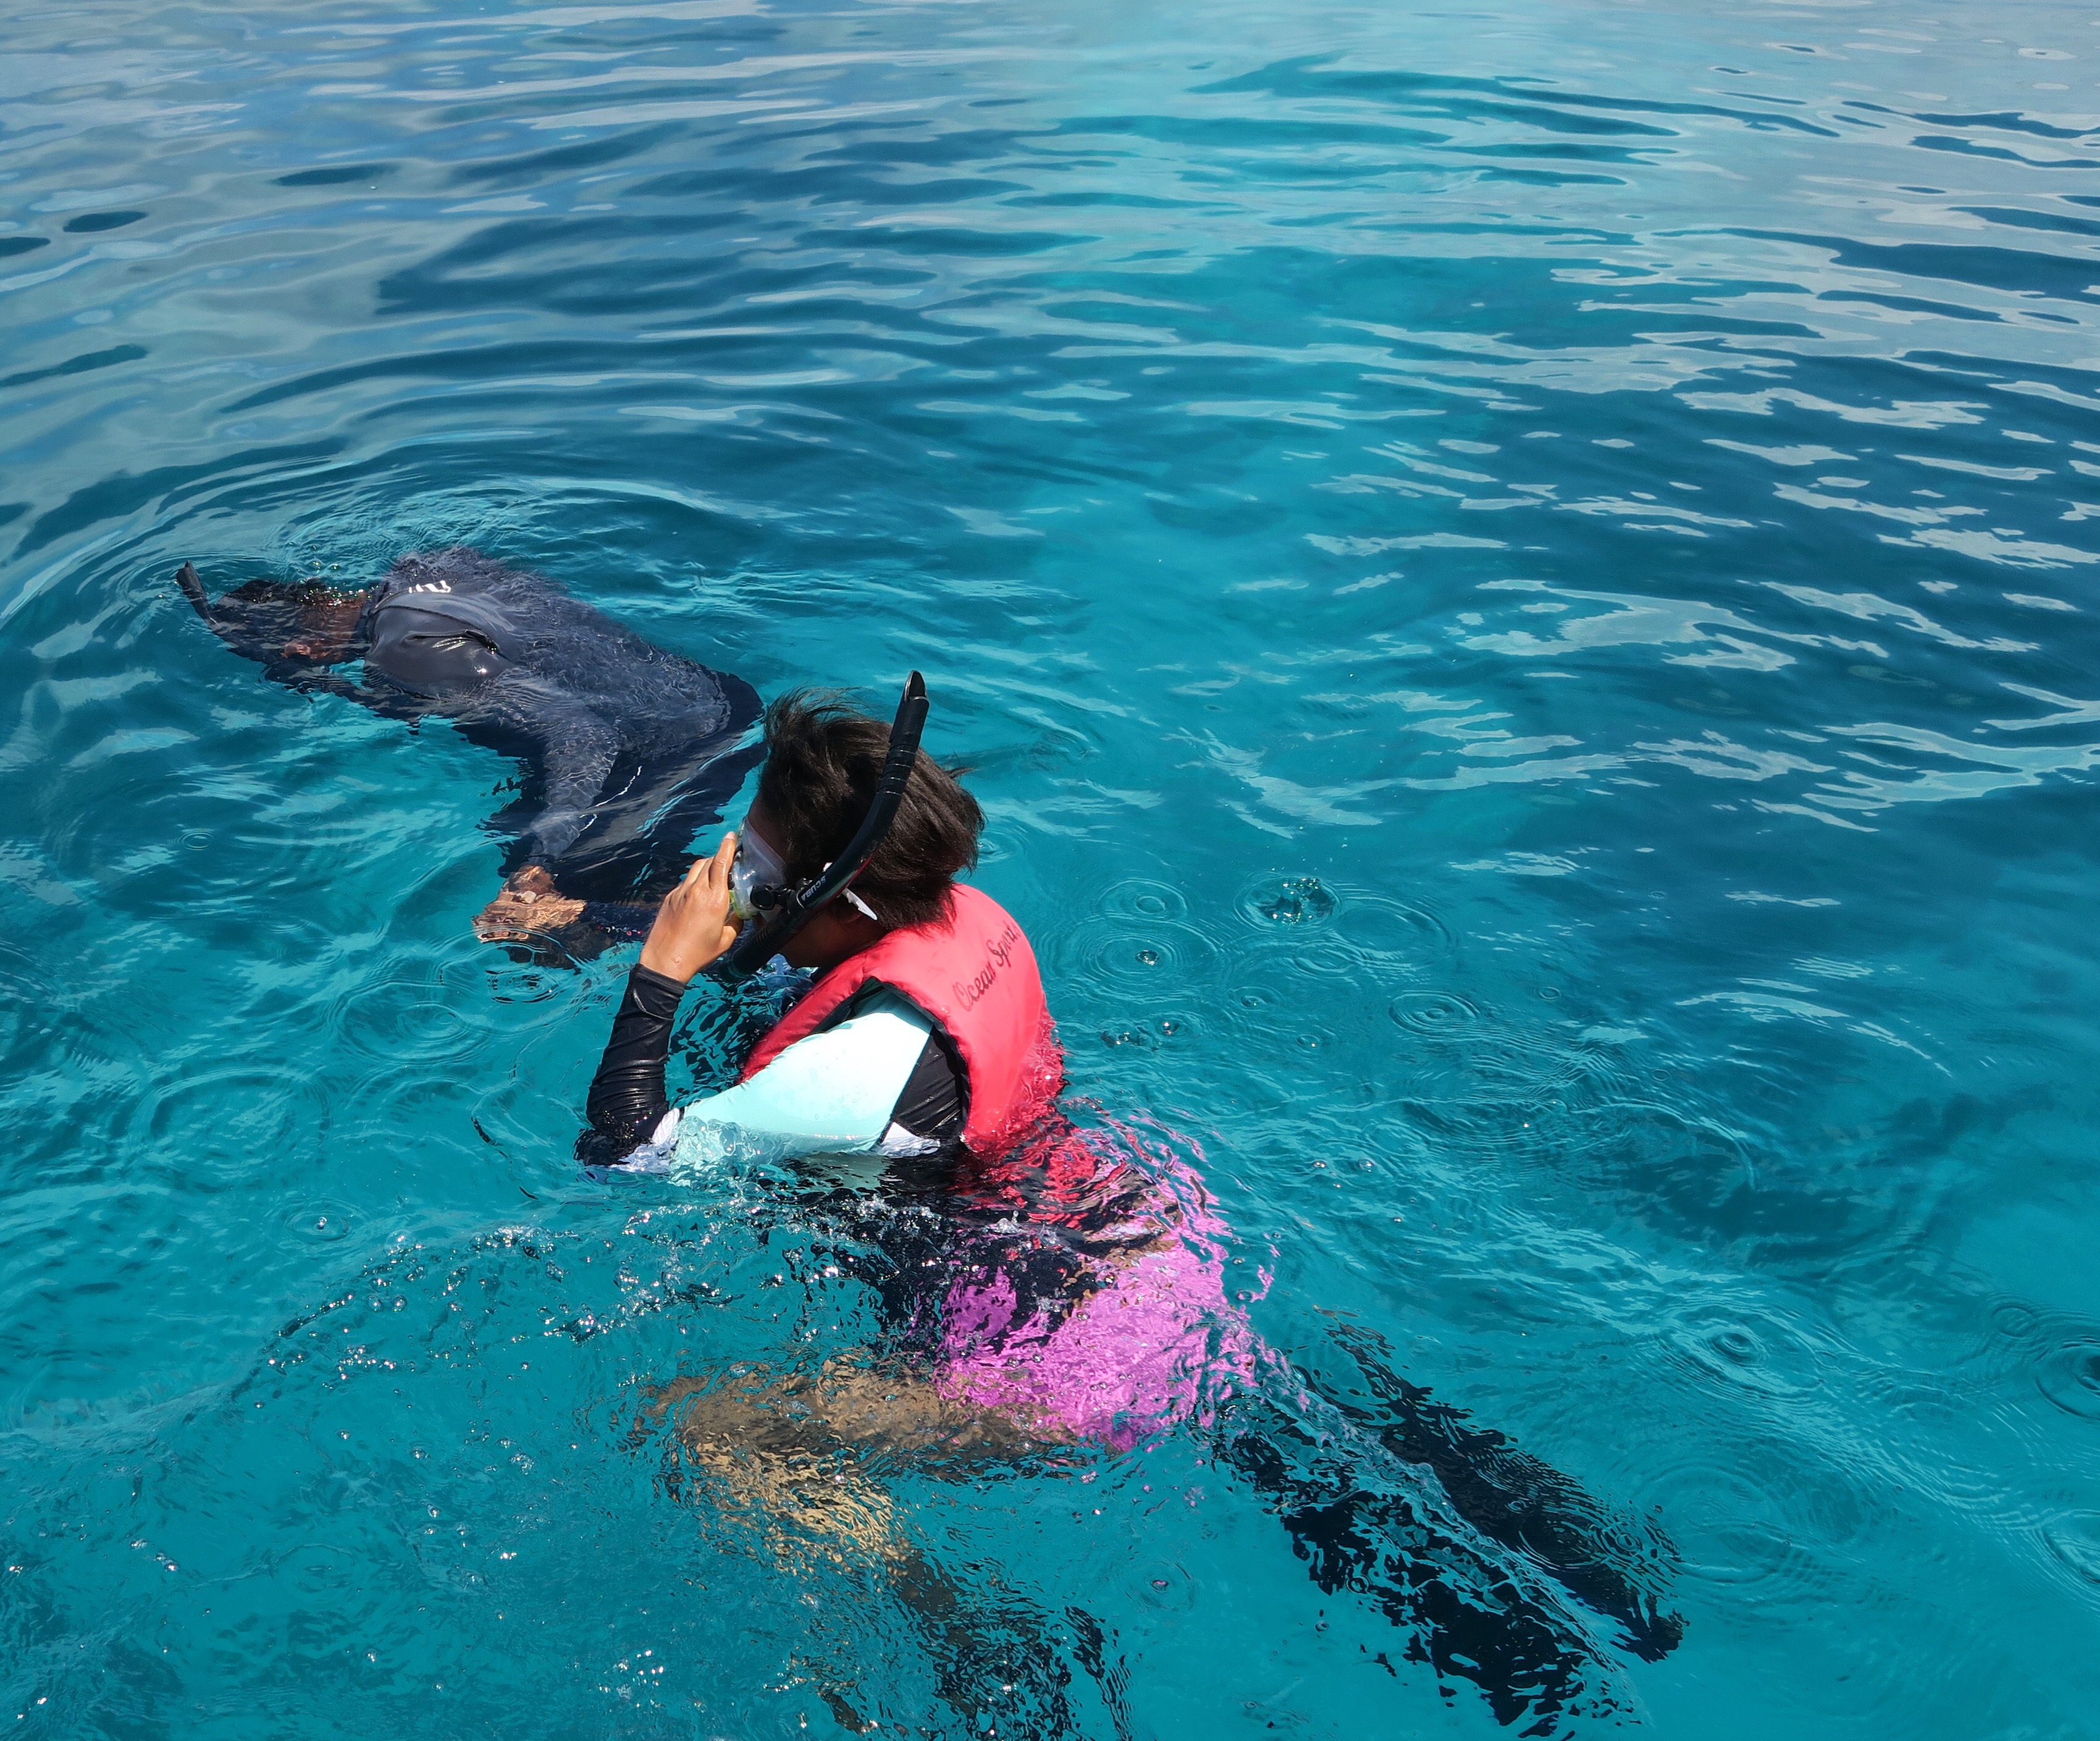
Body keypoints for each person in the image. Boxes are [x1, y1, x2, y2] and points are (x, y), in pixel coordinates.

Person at [582, 687, 1683, 1736]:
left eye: (757, 864)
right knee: (1307, 1455)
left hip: (1056, 1361)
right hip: (1160, 1240)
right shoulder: (962, 917)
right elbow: (800, 955)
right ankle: (1582, 1584)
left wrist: (659, 972)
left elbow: (623, 1152)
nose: (732, 880)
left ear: (842, 894)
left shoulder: (861, 1072)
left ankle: (980, 1655)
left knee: (716, 1428)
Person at [178, 546, 762, 953]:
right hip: (724, 696)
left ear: (303, 648)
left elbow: (582, 736)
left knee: (536, 936)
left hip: (680, 747)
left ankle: (754, 935)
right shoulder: (430, 566)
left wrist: (541, 860)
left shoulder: (404, 654)